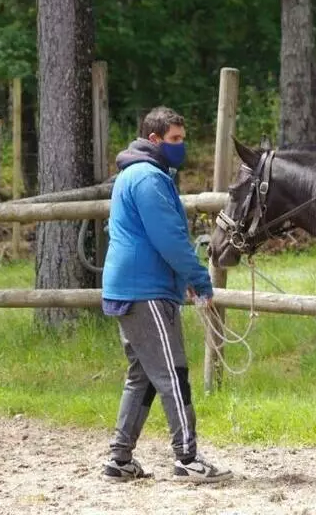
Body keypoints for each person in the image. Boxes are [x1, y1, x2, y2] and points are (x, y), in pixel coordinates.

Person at [101, 106, 232, 483]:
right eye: (175, 139)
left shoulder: (136, 175)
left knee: (142, 376)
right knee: (173, 373)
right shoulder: (148, 178)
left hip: (132, 287)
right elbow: (170, 239)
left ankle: (119, 459)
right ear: (155, 139)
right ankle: (187, 457)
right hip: (146, 291)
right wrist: (199, 279)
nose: (182, 145)